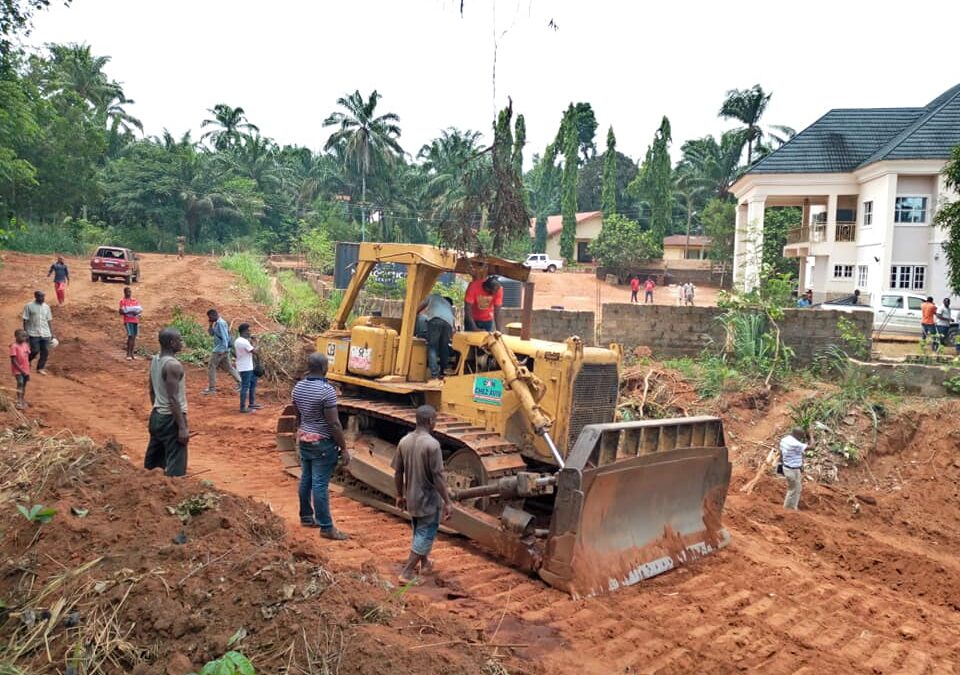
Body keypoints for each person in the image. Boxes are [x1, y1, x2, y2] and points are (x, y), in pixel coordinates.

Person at [293, 352, 350, 540]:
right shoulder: (326, 391)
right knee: (319, 484)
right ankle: (326, 527)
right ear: (325, 368)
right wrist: (344, 448)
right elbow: (334, 424)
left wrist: (301, 432)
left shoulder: (298, 388)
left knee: (306, 479)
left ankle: (306, 517)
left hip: (305, 438)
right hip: (322, 443)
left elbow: (298, 415)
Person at [393, 404, 453, 584]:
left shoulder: (404, 441)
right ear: (430, 421)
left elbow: (398, 472)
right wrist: (448, 502)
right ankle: (407, 572)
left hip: (411, 497)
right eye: (435, 420)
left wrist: (399, 495)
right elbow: (438, 477)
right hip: (428, 500)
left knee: (418, 530)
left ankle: (425, 563)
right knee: (425, 534)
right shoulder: (432, 445)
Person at [145, 328, 189, 477]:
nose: (182, 343)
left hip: (157, 415)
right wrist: (182, 427)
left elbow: (151, 390)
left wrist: (157, 410)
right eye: (180, 340)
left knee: (154, 462)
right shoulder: (173, 365)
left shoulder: (155, 360)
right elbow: (173, 398)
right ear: (172, 343)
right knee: (176, 462)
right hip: (171, 418)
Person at [418, 292, 456, 382]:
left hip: (435, 320)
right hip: (448, 323)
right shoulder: (447, 304)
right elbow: (453, 327)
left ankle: (434, 374)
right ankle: (444, 372)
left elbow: (420, 307)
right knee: (444, 348)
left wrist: (414, 314)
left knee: (432, 347)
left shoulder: (432, 296)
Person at [203, 309, 240, 394]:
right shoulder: (217, 323)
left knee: (211, 367)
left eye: (209, 317)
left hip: (220, 350)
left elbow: (225, 337)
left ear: (213, 315)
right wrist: (210, 325)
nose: (209, 318)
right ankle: (241, 383)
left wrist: (222, 350)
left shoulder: (221, 323)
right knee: (229, 368)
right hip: (223, 349)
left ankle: (212, 389)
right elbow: (211, 334)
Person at [22, 291, 54, 376]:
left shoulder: (46, 307)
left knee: (45, 351)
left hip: (45, 333)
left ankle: (40, 368)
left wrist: (51, 332)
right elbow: (25, 319)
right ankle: (26, 361)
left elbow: (49, 320)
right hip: (33, 332)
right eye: (40, 297)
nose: (42, 298)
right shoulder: (29, 306)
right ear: (35, 296)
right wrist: (25, 332)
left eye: (43, 297)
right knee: (35, 350)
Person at [779, 427, 809, 510]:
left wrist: (780, 464)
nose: (801, 439)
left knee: (797, 488)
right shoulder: (795, 443)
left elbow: (781, 453)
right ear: (797, 436)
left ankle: (792, 507)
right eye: (801, 437)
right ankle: (788, 509)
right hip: (792, 470)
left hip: (788, 467)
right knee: (793, 489)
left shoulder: (785, 440)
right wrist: (811, 435)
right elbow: (812, 446)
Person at [234, 323, 261, 413]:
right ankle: (243, 407)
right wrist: (257, 342)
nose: (250, 332)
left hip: (246, 366)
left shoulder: (239, 340)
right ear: (244, 331)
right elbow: (255, 351)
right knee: (245, 387)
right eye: (249, 330)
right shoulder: (244, 342)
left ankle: (251, 403)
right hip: (246, 367)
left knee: (252, 385)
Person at [118, 286, 142, 360]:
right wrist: (128, 311)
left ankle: (131, 354)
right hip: (128, 320)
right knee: (130, 336)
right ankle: (128, 354)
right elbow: (121, 311)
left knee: (133, 337)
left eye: (130, 292)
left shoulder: (134, 300)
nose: (129, 293)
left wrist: (130, 311)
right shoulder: (123, 301)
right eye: (128, 292)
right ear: (124, 292)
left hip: (135, 320)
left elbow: (140, 310)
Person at [9, 329, 30, 410]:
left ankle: (22, 399)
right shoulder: (14, 346)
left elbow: (27, 356)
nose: (24, 338)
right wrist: (21, 370)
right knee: (20, 383)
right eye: (22, 336)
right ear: (16, 336)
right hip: (18, 369)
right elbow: (13, 360)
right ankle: (18, 401)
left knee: (24, 384)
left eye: (25, 336)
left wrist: (27, 369)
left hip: (26, 368)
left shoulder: (25, 345)